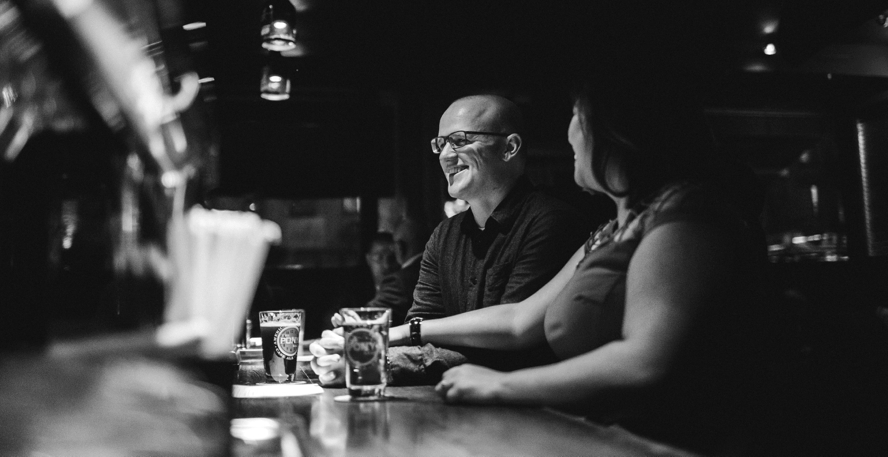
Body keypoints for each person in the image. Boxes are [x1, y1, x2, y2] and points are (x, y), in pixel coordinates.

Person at [314, 70, 768, 454]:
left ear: (618, 132)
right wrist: (376, 341)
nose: (569, 132)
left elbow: (642, 362)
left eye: (578, 117)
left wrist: (499, 386)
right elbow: (518, 320)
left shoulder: (685, 214)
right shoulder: (610, 230)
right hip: (585, 433)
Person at [315, 94, 589, 383]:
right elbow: (425, 335)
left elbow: (505, 349)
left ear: (509, 147)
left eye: (460, 140)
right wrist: (362, 356)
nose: (445, 155)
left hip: (533, 409)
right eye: (440, 143)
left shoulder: (550, 221)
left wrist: (375, 363)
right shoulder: (444, 235)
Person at [366, 218, 429, 324]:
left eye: (392, 249)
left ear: (399, 247)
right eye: (379, 257)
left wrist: (347, 319)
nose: (386, 265)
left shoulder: (400, 281)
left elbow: (366, 319)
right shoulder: (436, 271)